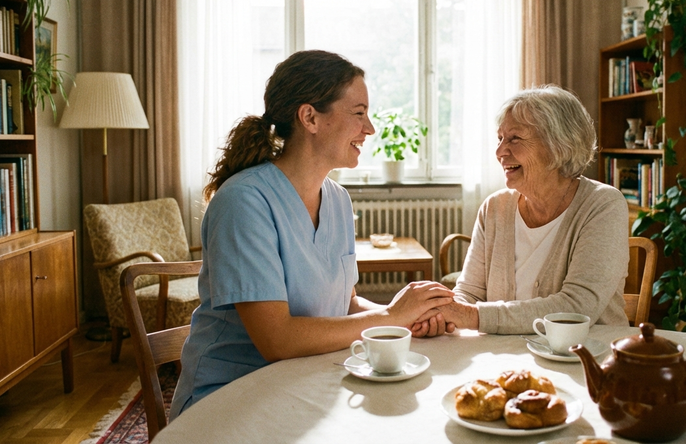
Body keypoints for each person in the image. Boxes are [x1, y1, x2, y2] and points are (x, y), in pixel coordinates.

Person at [171, 50, 454, 417]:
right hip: (231, 399)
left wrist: (405, 319)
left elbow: (346, 304)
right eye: (358, 113)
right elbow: (278, 340)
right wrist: (392, 317)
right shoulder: (243, 202)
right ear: (310, 117)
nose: (369, 129)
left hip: (306, 384)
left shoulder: (336, 199)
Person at [415, 85, 628, 337]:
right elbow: (469, 292)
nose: (499, 152)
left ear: (559, 145)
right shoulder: (495, 208)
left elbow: (576, 308)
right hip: (507, 360)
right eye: (500, 139)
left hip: (586, 362)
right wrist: (442, 316)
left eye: (514, 139)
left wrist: (469, 315)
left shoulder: (603, 205)